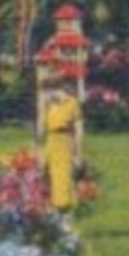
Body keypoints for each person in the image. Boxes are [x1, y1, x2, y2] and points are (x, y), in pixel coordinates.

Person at [38, 73, 84, 212]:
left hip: (64, 141)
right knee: (46, 175)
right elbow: (41, 130)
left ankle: (63, 209)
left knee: (62, 177)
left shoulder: (71, 103)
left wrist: (78, 152)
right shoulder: (48, 106)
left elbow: (78, 130)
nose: (46, 96)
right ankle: (51, 209)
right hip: (50, 141)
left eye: (48, 92)